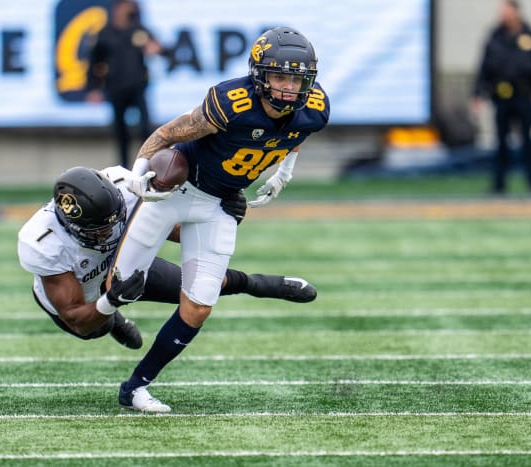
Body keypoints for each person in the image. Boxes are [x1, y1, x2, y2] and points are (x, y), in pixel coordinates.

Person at [100, 26, 330, 412]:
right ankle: (105, 310)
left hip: (219, 203)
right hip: (173, 193)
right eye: (279, 76)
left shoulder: (315, 109)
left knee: (199, 305)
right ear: (259, 76)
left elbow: (296, 134)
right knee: (119, 286)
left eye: (296, 78)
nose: (289, 88)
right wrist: (140, 175)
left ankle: (136, 386)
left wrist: (282, 172)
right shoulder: (231, 102)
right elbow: (165, 134)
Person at [17, 165, 317, 352]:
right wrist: (112, 302)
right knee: (92, 331)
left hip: (124, 260)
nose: (113, 229)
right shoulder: (43, 242)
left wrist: (217, 218)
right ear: (71, 226)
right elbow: (75, 317)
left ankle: (261, 284)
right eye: (102, 228)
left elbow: (170, 229)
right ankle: (114, 323)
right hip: (82, 291)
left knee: (201, 285)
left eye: (115, 219)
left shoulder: (125, 184)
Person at [471, 0, 531, 194]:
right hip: (501, 97)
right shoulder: (494, 37)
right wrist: (477, 94)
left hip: (525, 96)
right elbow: (484, 68)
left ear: (516, 12)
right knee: (500, 143)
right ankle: (499, 185)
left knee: (528, 142)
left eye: (506, 11)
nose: (503, 15)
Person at [86, 0, 162, 168]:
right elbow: (94, 63)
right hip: (116, 87)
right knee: (121, 132)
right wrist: (93, 88)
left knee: (145, 129)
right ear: (118, 8)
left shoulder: (139, 30)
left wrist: (155, 48)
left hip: (138, 86)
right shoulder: (104, 33)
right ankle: (123, 168)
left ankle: (148, 165)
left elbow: (160, 48)